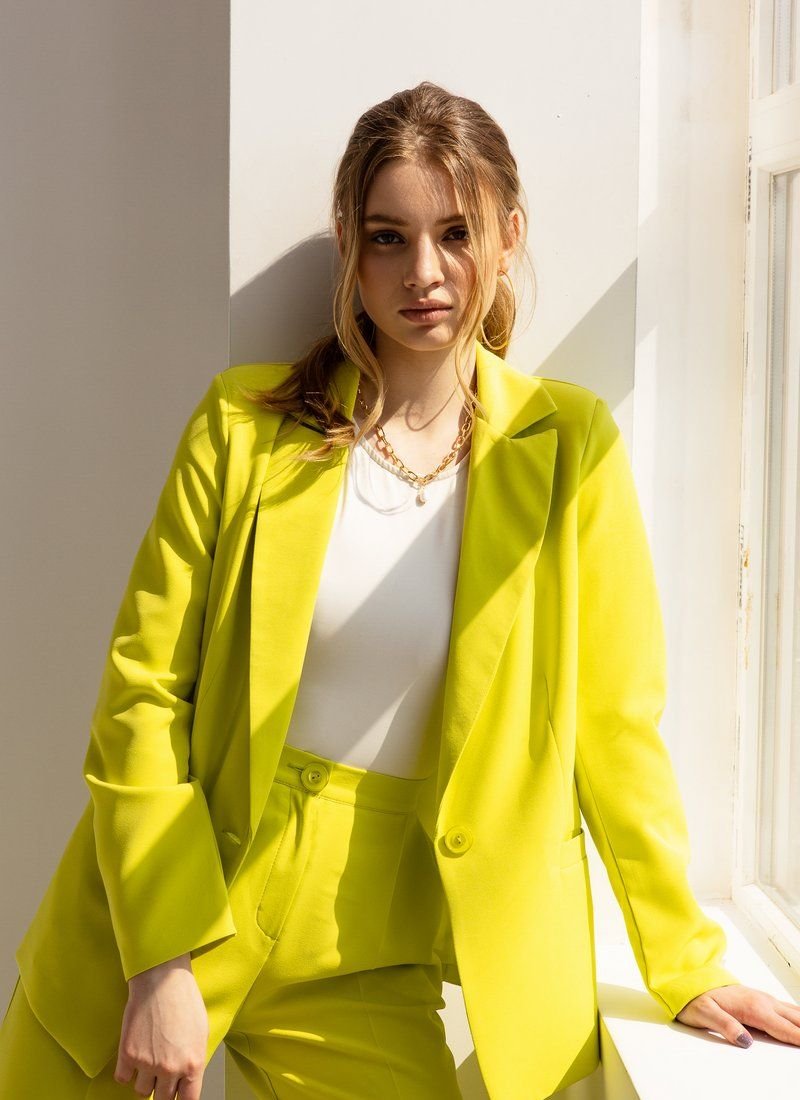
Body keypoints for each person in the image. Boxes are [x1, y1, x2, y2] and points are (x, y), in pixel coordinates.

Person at [1, 80, 798, 1100]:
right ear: (350, 244)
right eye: (388, 237)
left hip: (366, 950)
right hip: (166, 909)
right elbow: (141, 695)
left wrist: (682, 959)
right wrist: (158, 960)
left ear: (508, 238)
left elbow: (615, 729)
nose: (423, 272)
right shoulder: (241, 428)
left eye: (456, 232)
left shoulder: (568, 450)